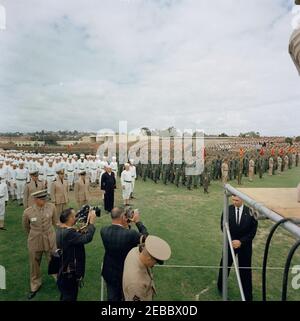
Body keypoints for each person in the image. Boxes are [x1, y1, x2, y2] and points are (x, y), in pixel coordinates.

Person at [100, 207, 148, 301]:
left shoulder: (103, 230)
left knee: (112, 297)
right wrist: (138, 221)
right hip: (126, 272)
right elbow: (146, 238)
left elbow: (121, 232)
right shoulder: (131, 234)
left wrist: (126, 223)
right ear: (123, 217)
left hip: (109, 271)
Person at [217, 195, 258, 301]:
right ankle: (221, 287)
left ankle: (247, 295)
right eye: (233, 200)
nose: (234, 202)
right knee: (225, 266)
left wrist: (241, 242)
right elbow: (223, 226)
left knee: (245, 270)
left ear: (242, 200)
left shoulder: (250, 212)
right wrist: (232, 240)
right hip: (230, 243)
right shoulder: (227, 210)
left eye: (237, 200)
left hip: (245, 246)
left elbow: (252, 231)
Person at [22, 189, 58, 300]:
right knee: (34, 264)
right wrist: (35, 234)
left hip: (49, 239)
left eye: (45, 198)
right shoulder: (28, 212)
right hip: (35, 241)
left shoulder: (51, 207)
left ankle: (59, 280)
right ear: (36, 200)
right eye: (42, 199)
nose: (45, 201)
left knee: (54, 260)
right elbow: (26, 227)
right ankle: (35, 285)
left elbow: (55, 221)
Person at [56, 208, 96, 301]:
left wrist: (84, 227)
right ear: (69, 218)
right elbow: (87, 238)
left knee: (65, 295)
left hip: (63, 271)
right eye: (74, 216)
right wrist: (92, 223)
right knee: (70, 297)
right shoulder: (69, 233)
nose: (76, 218)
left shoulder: (61, 229)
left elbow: (76, 237)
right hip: (69, 274)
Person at [123, 235, 171, 301]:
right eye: (155, 262)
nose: (154, 265)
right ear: (148, 259)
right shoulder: (136, 284)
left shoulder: (134, 251)